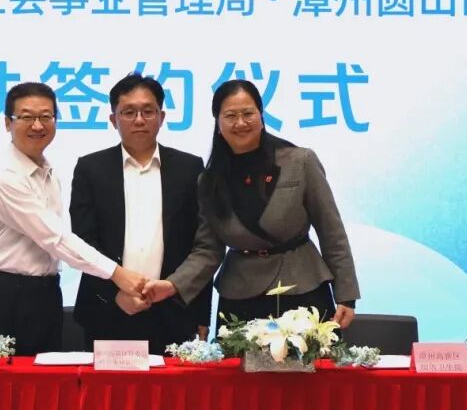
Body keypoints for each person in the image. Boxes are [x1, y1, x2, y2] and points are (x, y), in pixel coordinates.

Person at [143, 79, 360, 329]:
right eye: (230, 116)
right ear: (218, 122)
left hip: (302, 287)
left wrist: (346, 295)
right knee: (237, 356)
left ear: (261, 115)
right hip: (239, 296)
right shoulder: (209, 180)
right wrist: (173, 284)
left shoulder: (300, 161)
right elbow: (208, 250)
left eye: (248, 114)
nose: (240, 123)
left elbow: (332, 232)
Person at [0, 82, 148, 355]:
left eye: (46, 116)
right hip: (3, 297)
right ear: (7, 123)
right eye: (26, 117)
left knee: (45, 380)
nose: (37, 125)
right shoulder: (4, 176)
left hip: (45, 295)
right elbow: (55, 238)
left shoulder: (47, 171)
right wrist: (118, 274)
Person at [69, 74, 211, 354]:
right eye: (128, 112)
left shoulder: (189, 168)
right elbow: (84, 242)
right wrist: (116, 293)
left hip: (174, 311)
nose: (139, 120)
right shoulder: (91, 169)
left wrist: (201, 314)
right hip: (107, 310)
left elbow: (202, 246)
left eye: (148, 111)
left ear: (161, 117)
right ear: (113, 119)